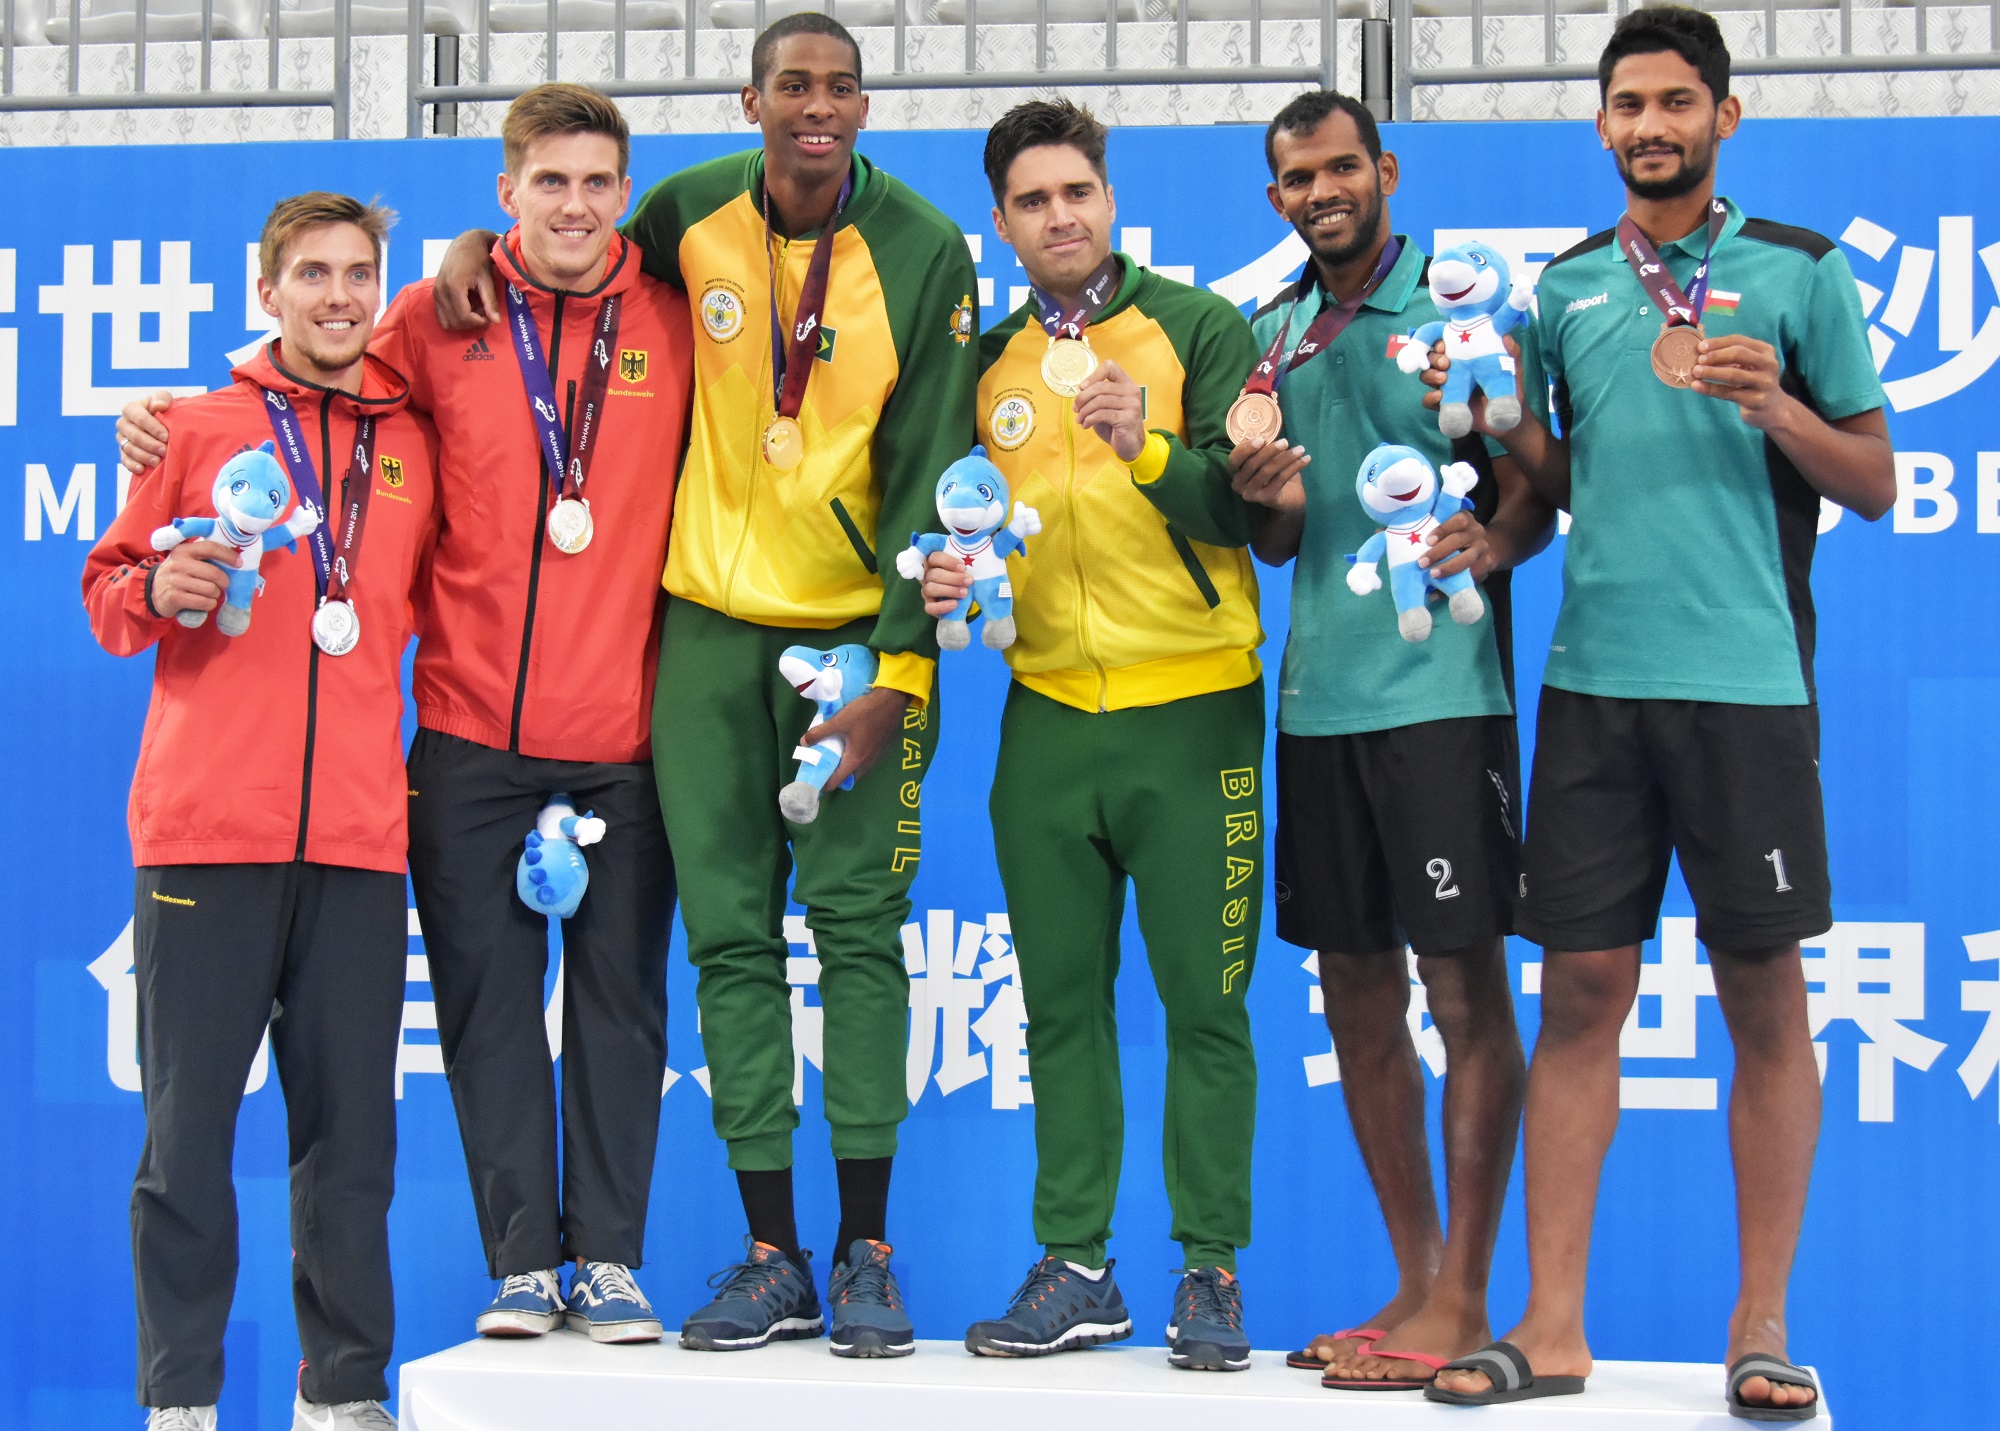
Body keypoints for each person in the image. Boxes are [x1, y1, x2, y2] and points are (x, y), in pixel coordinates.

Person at [430, 13, 977, 1359]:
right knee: (728, 939)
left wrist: (896, 674)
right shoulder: (684, 214)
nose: (818, 108)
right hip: (702, 640)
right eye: (794, 85)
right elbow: (560, 258)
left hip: (854, 638)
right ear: (751, 99)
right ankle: (769, 1249)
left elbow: (931, 472)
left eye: (842, 87)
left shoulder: (922, 249)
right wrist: (461, 253)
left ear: (865, 105)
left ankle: (868, 1249)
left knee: (855, 933)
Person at [116, 83, 695, 1347]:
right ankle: (522, 1268)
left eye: (600, 182)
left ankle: (605, 1258)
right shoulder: (429, 323)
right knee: (487, 1008)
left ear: (626, 194)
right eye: (550, 181)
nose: (577, 205)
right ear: (506, 195)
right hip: (463, 733)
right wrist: (163, 433)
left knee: (619, 1010)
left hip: (627, 735)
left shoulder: (675, 313)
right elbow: (301, 395)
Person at [1421, 7, 1892, 1416]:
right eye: (1627, 103)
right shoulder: (1567, 288)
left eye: (1676, 101)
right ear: (1604, 122)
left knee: (1763, 994)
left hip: (1747, 685)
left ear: (1724, 117)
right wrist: (1503, 436)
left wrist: (1782, 414)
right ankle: (1550, 1327)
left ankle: (1761, 1326)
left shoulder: (1802, 276)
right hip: (1592, 692)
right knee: (1579, 992)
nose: (1649, 125)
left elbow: (1871, 478)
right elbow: (1564, 488)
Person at [918, 100, 1266, 1372]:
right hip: (1047, 720)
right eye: (1031, 201)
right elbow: (954, 521)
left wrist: (1150, 447)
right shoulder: (991, 361)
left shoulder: (1194, 328)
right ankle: (1075, 1264)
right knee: (1059, 1008)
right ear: (1001, 223)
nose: (1058, 217)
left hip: (1193, 716)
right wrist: (944, 579)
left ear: (1107, 200)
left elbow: (1248, 510)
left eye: (1077, 192)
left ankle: (1210, 1269)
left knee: (1203, 1011)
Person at [86, 193, 439, 1431]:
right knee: (186, 1142)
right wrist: (161, 583)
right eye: (311, 273)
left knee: (352, 1147)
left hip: (356, 839)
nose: (337, 295)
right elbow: (109, 590)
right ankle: (180, 1402)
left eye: (358, 274)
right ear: (267, 292)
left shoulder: (415, 435)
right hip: (204, 834)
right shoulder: (195, 427)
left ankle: (341, 1394)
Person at [1226, 91, 1552, 1392]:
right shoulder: (1269, 332)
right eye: (1299, 177)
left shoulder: (1465, 311)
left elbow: (1535, 472)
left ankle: (1466, 1292)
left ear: (1387, 170)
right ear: (1276, 199)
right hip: (1318, 702)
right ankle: (1414, 1273)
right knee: (1356, 992)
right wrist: (1264, 500)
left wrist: (1508, 536)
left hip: (1443, 695)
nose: (1324, 191)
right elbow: (1282, 536)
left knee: (1465, 991)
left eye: (1343, 167)